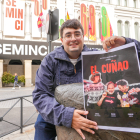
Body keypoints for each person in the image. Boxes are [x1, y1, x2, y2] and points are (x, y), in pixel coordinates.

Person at [32, 19, 98, 140]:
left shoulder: (96, 57)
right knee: (41, 125)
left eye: (77, 34)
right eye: (68, 35)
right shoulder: (49, 61)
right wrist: (68, 117)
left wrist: (125, 42)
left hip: (88, 112)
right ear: (62, 40)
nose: (73, 38)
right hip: (54, 110)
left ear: (83, 37)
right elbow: (40, 95)